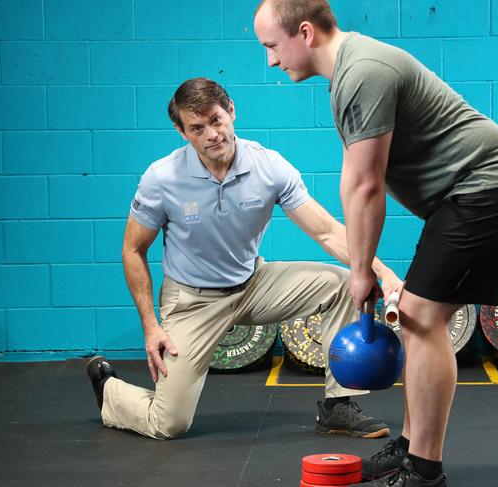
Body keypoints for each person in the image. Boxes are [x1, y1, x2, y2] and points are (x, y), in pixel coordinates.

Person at [254, 1, 498, 486]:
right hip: (470, 194)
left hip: (493, 186)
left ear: (304, 32)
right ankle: (413, 448)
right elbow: (356, 180)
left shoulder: (363, 71)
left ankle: (424, 470)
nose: (270, 60)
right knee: (415, 317)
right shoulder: (352, 71)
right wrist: (363, 265)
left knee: (420, 319)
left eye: (271, 46)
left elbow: (366, 186)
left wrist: (361, 269)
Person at [86, 77, 404, 441]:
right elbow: (132, 250)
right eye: (197, 127)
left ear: (231, 111)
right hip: (193, 301)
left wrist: (381, 271)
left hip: (254, 284)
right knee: (168, 424)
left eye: (217, 120)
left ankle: (338, 407)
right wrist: (150, 325)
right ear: (181, 131)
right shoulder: (162, 179)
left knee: (338, 283)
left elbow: (327, 231)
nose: (212, 135)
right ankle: (109, 389)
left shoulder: (269, 167)